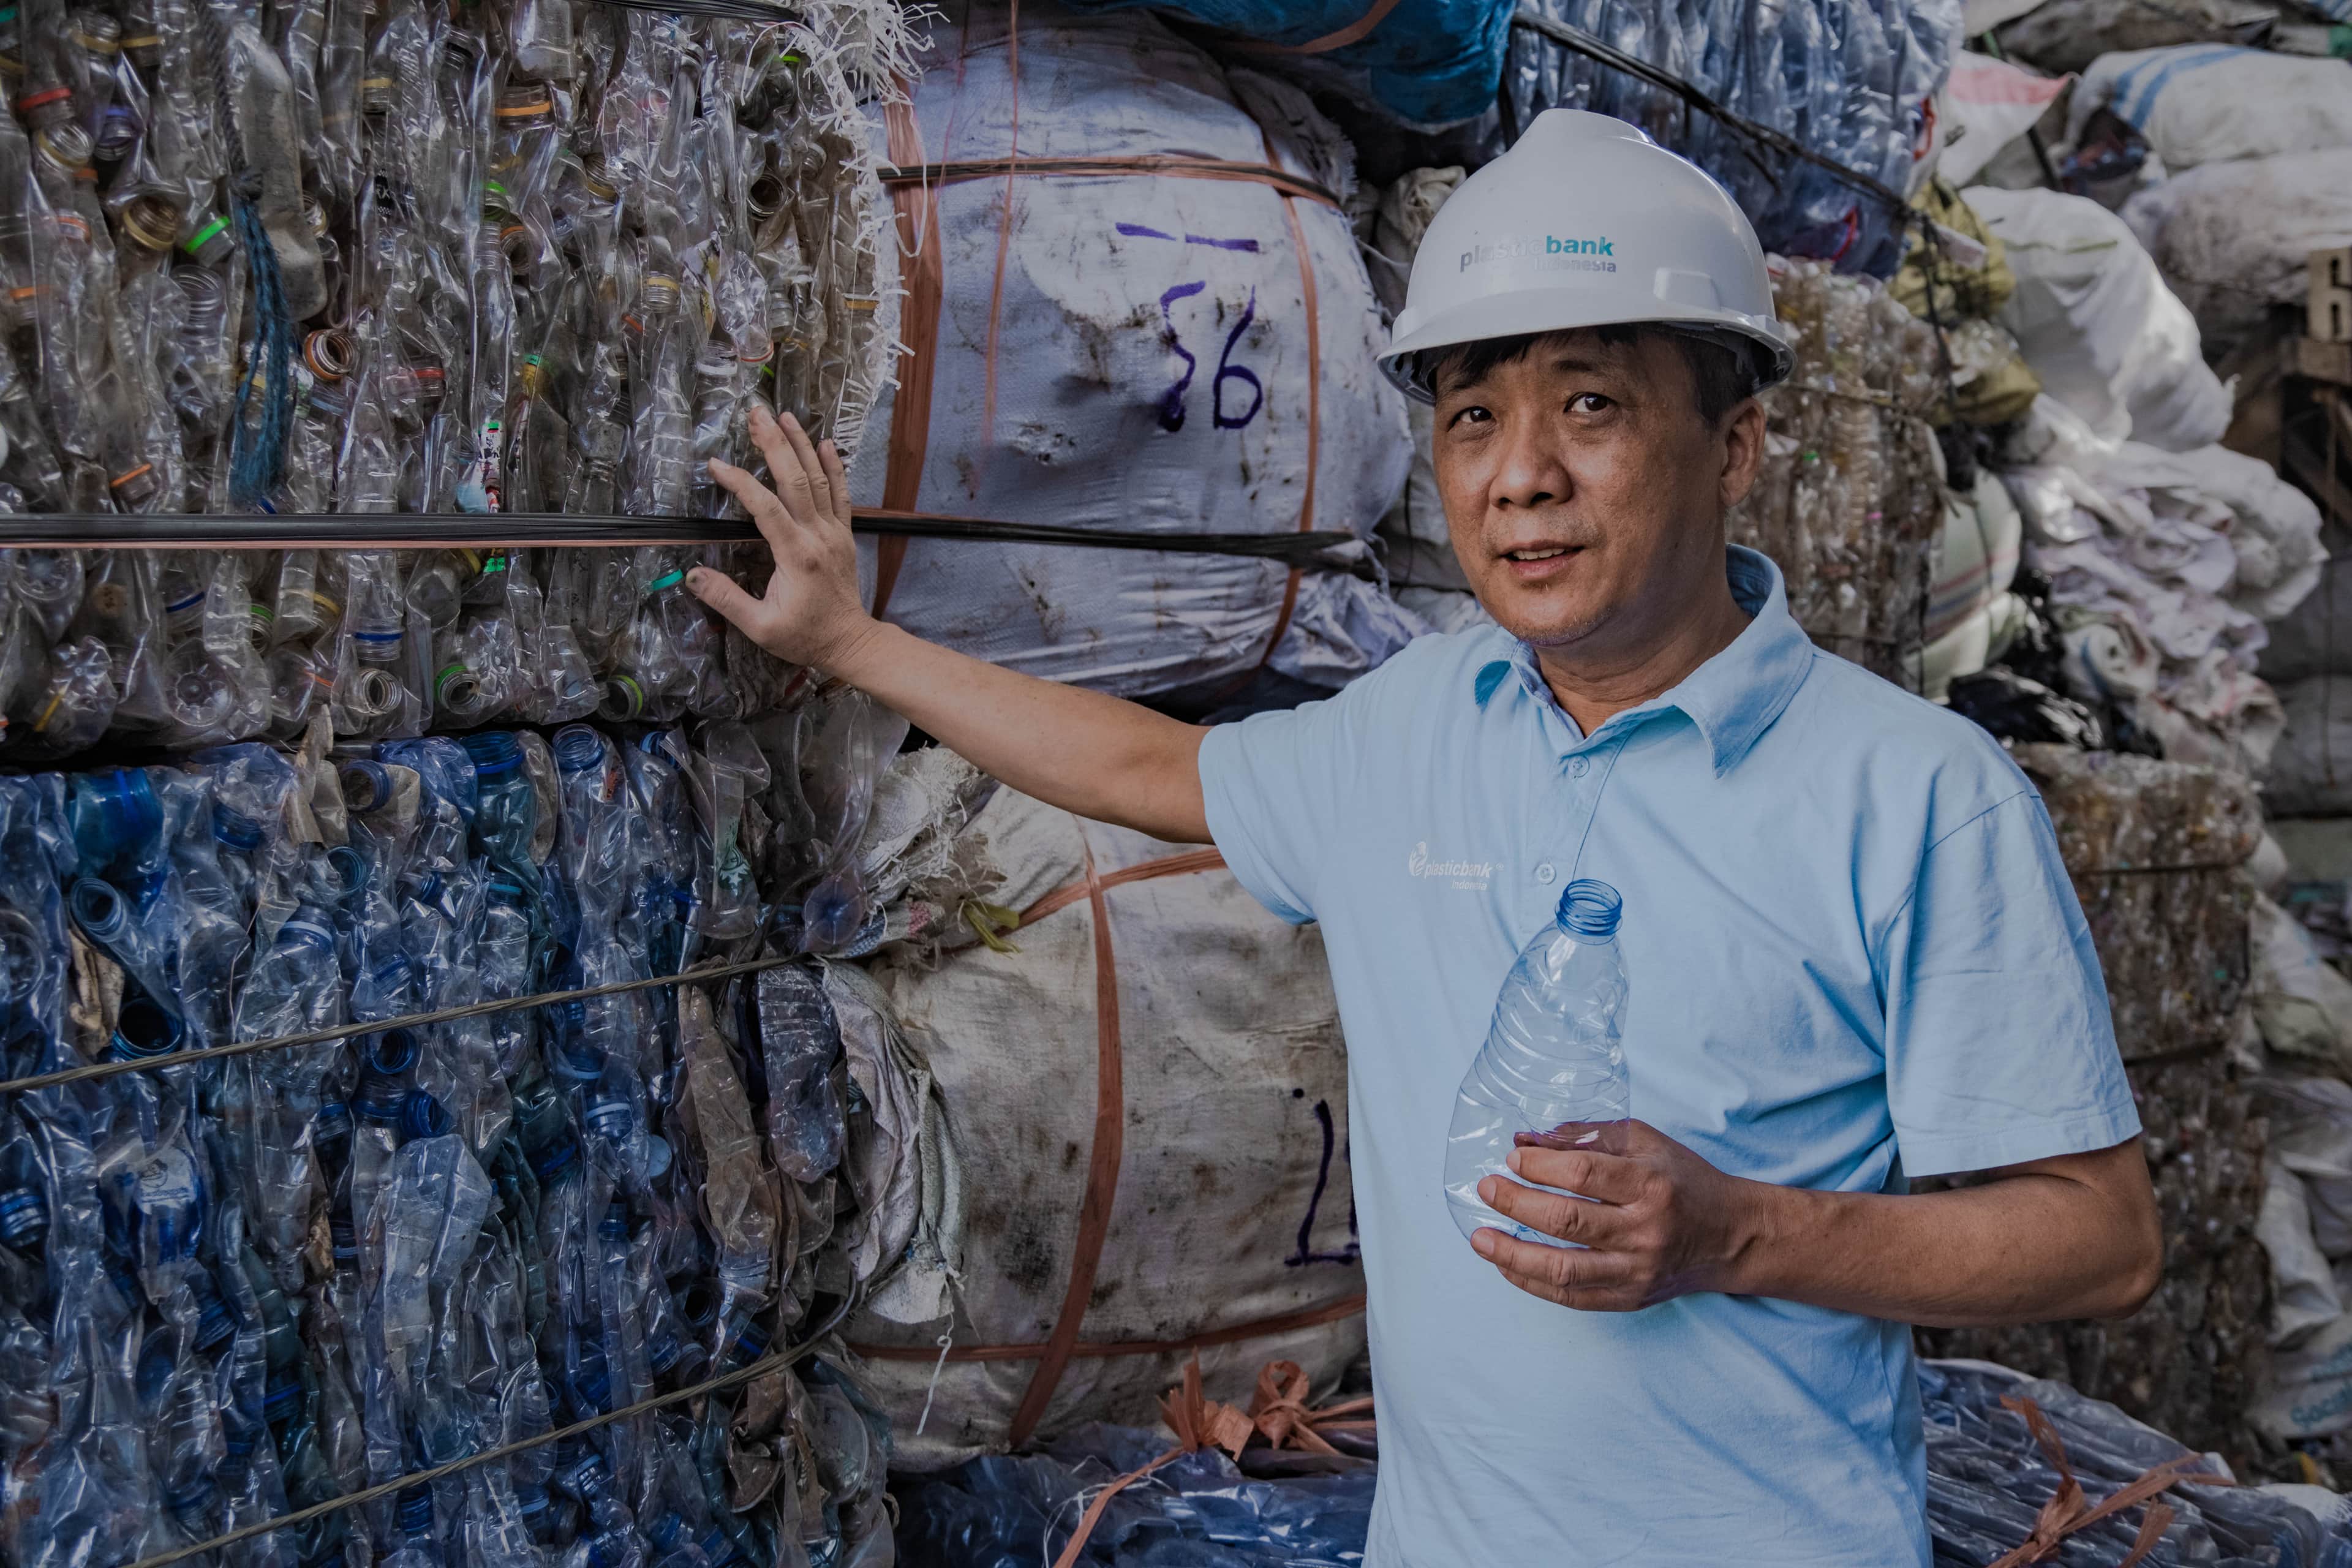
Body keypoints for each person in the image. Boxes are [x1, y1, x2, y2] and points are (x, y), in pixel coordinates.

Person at [687, 108, 2162, 1566]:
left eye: (1591, 404)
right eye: (1473, 416)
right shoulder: (1414, 725)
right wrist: (849, 640)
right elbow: (1149, 762)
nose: (1520, 473)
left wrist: (1741, 1234)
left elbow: (2098, 1235)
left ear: (1737, 443)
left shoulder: (1917, 793)